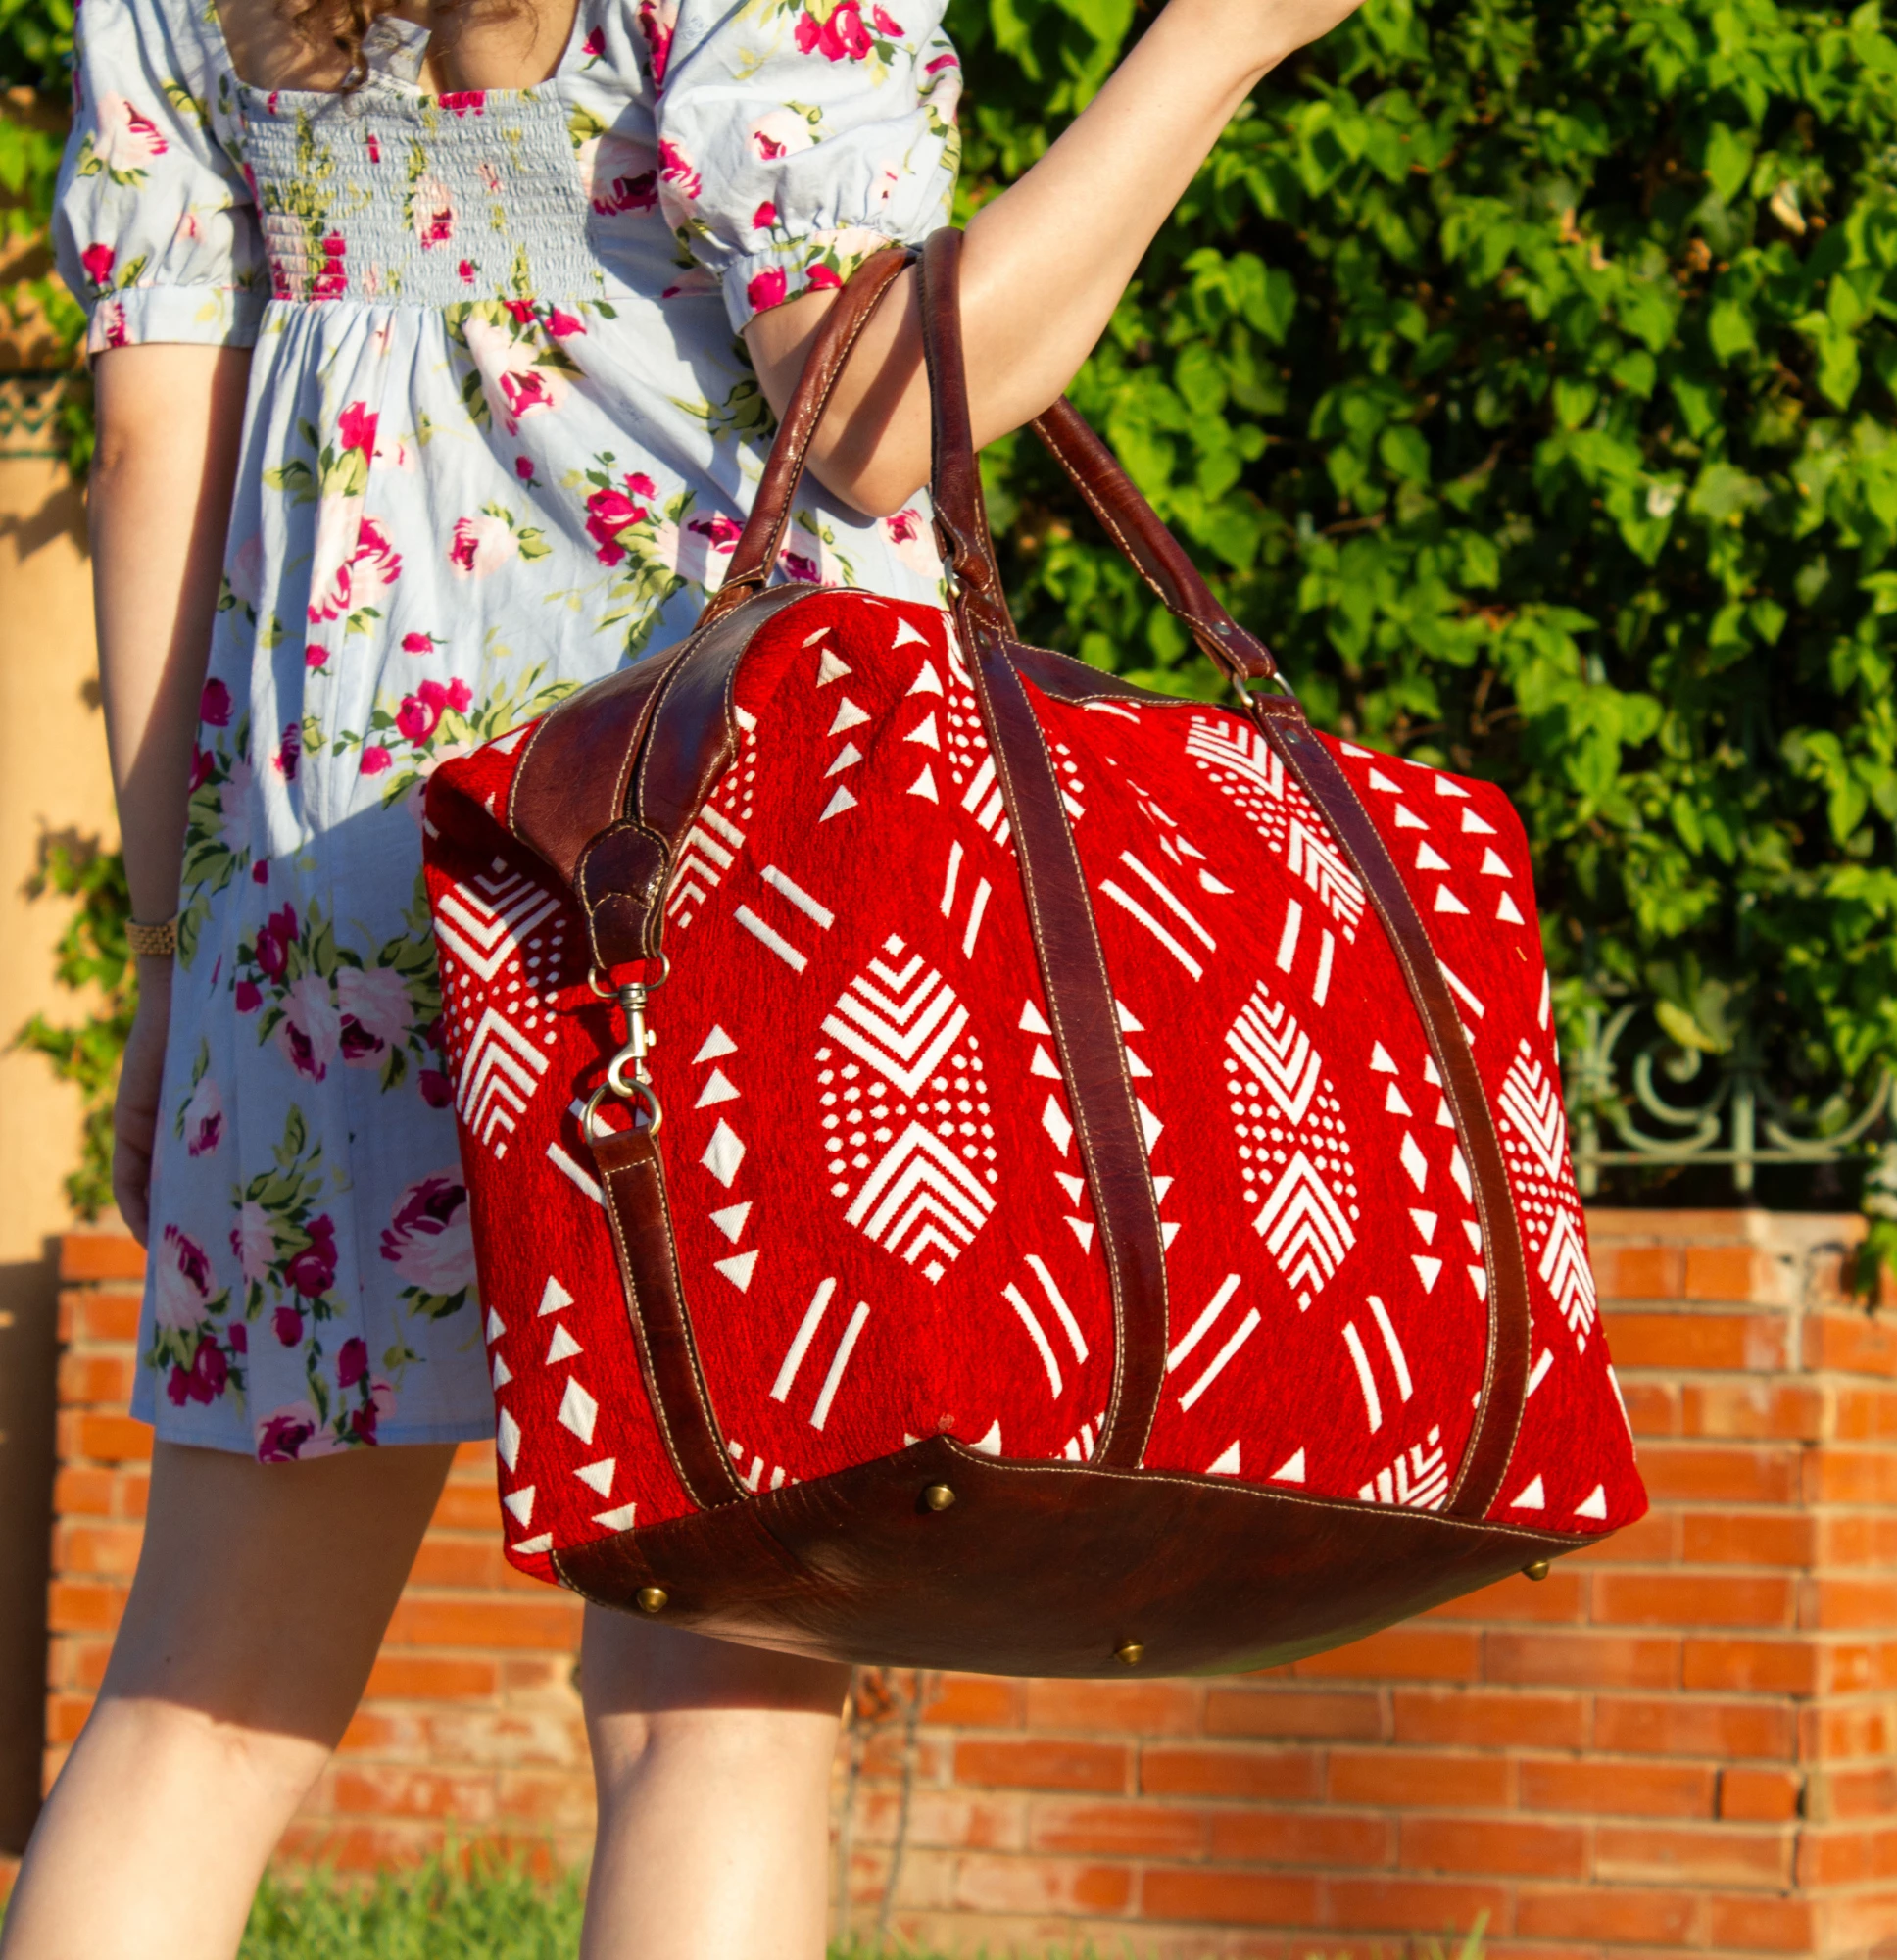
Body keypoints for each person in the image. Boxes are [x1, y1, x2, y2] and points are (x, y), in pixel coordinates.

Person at [0, 0, 1365, 1950]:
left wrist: (163, 949)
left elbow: (154, 438)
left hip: (330, 871)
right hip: (728, 871)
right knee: (715, 1714)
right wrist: (1213, 47)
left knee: (201, 1718)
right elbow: (886, 400)